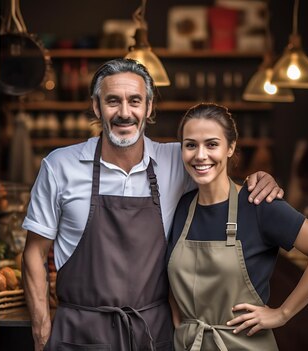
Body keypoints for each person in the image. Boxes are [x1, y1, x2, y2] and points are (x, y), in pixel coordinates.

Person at [22, 59, 284, 351]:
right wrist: (41, 330)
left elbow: (215, 170)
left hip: (151, 333)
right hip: (79, 333)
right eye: (112, 101)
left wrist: (257, 179)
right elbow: (34, 252)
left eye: (135, 101)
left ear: (149, 108)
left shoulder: (176, 159)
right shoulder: (60, 166)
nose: (124, 112)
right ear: (97, 107)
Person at [167, 103, 308, 350]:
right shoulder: (182, 207)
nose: (200, 155)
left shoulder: (258, 203)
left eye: (212, 144)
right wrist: (180, 322)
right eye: (191, 145)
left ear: (231, 148)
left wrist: (282, 313)